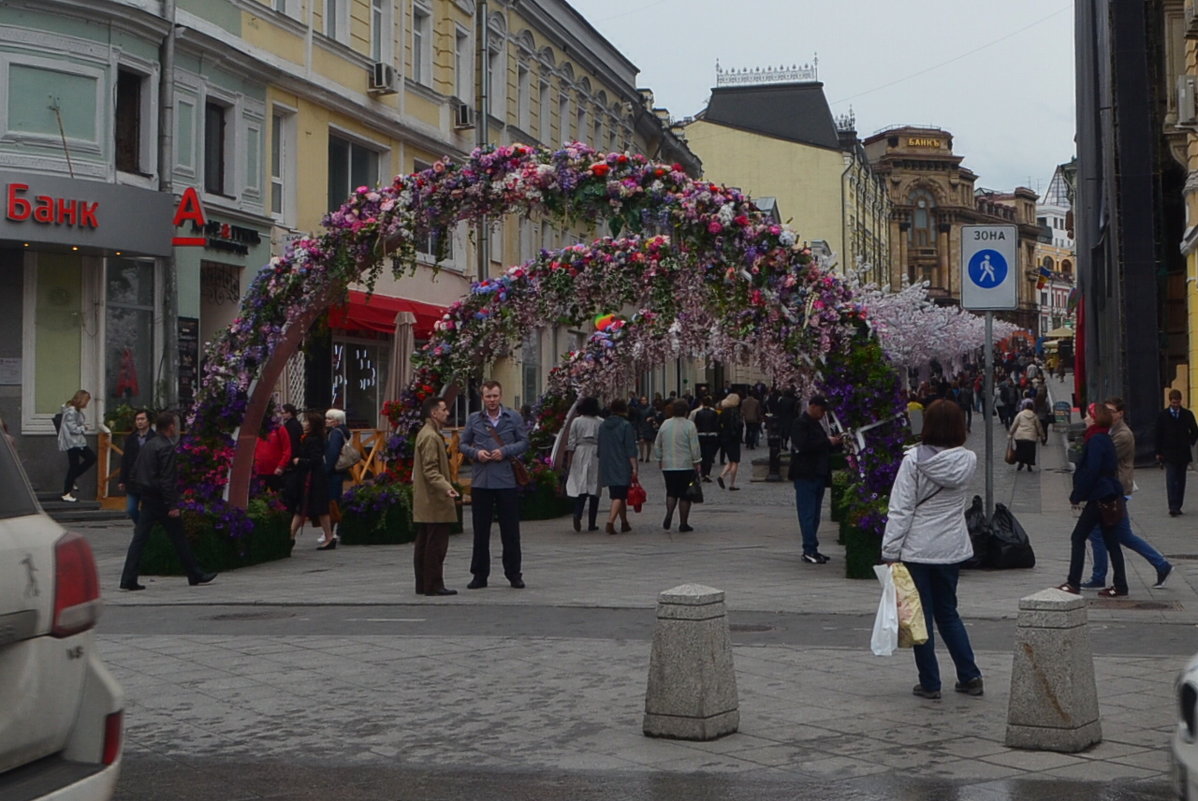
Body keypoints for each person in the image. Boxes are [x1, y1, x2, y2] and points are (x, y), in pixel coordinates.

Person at [881, 400, 983, 700]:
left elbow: (901, 509)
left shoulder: (913, 460)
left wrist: (889, 551)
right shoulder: (968, 460)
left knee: (919, 617)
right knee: (948, 613)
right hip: (950, 548)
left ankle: (930, 682)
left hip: (917, 549)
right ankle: (970, 675)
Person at [119, 412, 217, 591]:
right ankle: (195, 573)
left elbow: (135, 471)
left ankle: (128, 577)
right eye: (175, 425)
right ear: (171, 427)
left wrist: (141, 490)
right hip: (162, 500)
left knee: (139, 539)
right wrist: (172, 505)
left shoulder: (149, 445)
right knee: (179, 538)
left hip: (148, 498)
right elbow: (167, 479)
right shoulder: (166, 447)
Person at [1083, 398, 1173, 590]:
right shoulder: (1111, 431)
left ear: (1120, 413)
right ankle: (1161, 564)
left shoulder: (1123, 435)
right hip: (1113, 489)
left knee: (1097, 532)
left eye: (1111, 411)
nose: (1107, 414)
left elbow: (1105, 457)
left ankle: (1099, 576)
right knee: (1123, 535)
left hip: (1115, 490)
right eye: (1105, 410)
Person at [460, 380, 529, 589]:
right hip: (482, 481)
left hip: (506, 480)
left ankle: (514, 573)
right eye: (488, 396)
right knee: (480, 531)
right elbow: (462, 444)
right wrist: (476, 453)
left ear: (501, 396)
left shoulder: (513, 417)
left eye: (495, 396)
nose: (491, 400)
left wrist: (505, 451)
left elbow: (524, 442)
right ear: (482, 398)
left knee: (510, 531)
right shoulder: (474, 419)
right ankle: (479, 575)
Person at [1058, 403, 1128, 598]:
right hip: (1108, 493)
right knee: (1111, 541)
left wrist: (1077, 495)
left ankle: (1073, 583)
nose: (1086, 419)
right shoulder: (1103, 437)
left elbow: (1092, 470)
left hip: (1100, 494)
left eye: (1088, 415)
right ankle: (1121, 585)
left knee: (1078, 537)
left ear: (1096, 418)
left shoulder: (1096, 439)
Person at [412, 396, 460, 596]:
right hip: (434, 499)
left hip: (426, 499)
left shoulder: (426, 433)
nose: (447, 412)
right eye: (444, 409)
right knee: (435, 545)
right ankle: (433, 584)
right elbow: (430, 470)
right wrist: (446, 487)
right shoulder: (431, 436)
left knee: (424, 542)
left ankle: (423, 584)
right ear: (434, 413)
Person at [789, 395, 842, 564]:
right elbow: (803, 445)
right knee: (808, 514)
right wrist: (827, 441)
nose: (823, 413)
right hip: (806, 474)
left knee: (815, 514)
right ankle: (809, 548)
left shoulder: (815, 424)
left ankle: (813, 548)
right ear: (812, 406)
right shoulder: (800, 423)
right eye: (821, 410)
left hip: (817, 474)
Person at [286, 411, 337, 550]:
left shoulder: (313, 440)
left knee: (318, 508)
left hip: (314, 479)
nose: (304, 423)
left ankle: (328, 537)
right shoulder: (309, 438)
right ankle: (290, 536)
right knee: (302, 507)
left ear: (312, 424)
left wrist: (299, 461)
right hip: (309, 477)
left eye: (306, 421)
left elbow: (315, 460)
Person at [654, 399, 701, 532]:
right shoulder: (689, 425)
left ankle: (669, 514)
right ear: (686, 411)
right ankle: (683, 522)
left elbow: (658, 444)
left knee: (671, 491)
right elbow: (694, 446)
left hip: (668, 465)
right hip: (685, 464)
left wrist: (659, 458)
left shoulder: (665, 424)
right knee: (685, 494)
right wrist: (697, 460)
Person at [597, 397, 638, 535]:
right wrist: (634, 467)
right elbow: (630, 448)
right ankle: (610, 522)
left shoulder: (603, 425)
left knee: (618, 494)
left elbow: (600, 445)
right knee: (619, 495)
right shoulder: (626, 425)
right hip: (622, 463)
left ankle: (624, 522)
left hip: (607, 463)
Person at [1155, 389, 1198, 517]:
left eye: (1177, 402)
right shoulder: (1163, 415)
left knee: (1181, 479)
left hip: (1183, 452)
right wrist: (1158, 451)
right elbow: (1158, 434)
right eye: (1173, 403)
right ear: (1170, 401)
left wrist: (1190, 441)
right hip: (1168, 453)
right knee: (1171, 478)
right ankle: (1172, 506)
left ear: (1180, 401)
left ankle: (1178, 504)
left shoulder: (1187, 414)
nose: (1175, 405)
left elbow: (1195, 430)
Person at [565, 396, 602, 532]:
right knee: (594, 487)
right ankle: (592, 523)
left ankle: (577, 513)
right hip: (595, 453)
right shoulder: (600, 422)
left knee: (581, 485)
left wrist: (570, 461)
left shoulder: (576, 421)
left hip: (580, 452)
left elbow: (571, 442)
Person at [57, 390, 96, 502]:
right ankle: (66, 492)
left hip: (76, 442)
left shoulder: (74, 411)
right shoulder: (71, 412)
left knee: (83, 462)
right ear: (81, 400)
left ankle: (71, 481)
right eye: (86, 401)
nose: (87, 404)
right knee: (83, 462)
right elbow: (72, 428)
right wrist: (83, 428)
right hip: (73, 443)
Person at [118, 409, 154, 523]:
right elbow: (125, 460)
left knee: (147, 510)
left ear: (148, 421)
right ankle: (141, 528)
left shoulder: (154, 438)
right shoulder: (131, 438)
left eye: (142, 419)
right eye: (137, 419)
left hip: (148, 481)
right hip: (132, 480)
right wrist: (122, 480)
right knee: (131, 509)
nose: (140, 422)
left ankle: (143, 532)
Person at [324, 408, 353, 523]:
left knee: (332, 499)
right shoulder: (343, 431)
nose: (326, 421)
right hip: (340, 470)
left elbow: (333, 453)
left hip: (334, 470)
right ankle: (334, 528)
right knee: (336, 497)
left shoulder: (335, 433)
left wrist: (327, 469)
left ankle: (332, 528)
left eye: (329, 419)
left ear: (336, 421)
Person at [253, 417, 292, 494]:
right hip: (258, 471)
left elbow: (287, 449)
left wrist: (281, 466)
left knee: (276, 497)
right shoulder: (256, 428)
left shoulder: (279, 428)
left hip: (275, 472)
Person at [1008, 399, 1044, 472]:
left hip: (1020, 436)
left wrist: (1010, 433)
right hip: (1031, 436)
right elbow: (1039, 427)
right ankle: (1029, 464)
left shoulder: (1020, 414)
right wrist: (1042, 436)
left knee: (1020, 450)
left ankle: (1020, 463)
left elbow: (1014, 425)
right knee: (1030, 451)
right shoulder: (1034, 416)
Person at [717, 393, 742, 491]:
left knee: (731, 460)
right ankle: (732, 483)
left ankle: (722, 476)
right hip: (734, 438)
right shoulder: (735, 412)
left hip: (725, 437)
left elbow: (718, 423)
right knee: (735, 461)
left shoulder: (723, 412)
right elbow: (738, 425)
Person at [692, 396, 719, 482]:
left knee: (702, 454)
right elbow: (717, 424)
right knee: (709, 455)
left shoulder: (699, 413)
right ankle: (707, 473)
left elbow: (696, 424)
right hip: (711, 435)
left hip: (701, 435)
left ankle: (703, 472)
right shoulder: (714, 413)